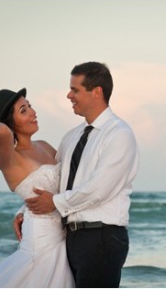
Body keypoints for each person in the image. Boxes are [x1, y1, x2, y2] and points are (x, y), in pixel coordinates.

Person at [22, 62, 140, 287]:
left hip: (102, 238)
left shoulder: (119, 134)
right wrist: (29, 209)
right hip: (71, 237)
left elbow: (99, 189)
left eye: (75, 89)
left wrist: (54, 203)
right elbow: (54, 180)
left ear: (97, 92)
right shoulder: (72, 136)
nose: (68, 95)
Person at [0, 88, 75, 287]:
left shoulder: (45, 146)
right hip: (41, 242)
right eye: (23, 110)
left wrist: (22, 210)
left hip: (64, 237)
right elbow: (2, 133)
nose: (32, 112)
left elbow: (67, 183)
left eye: (30, 106)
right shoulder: (9, 159)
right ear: (9, 122)